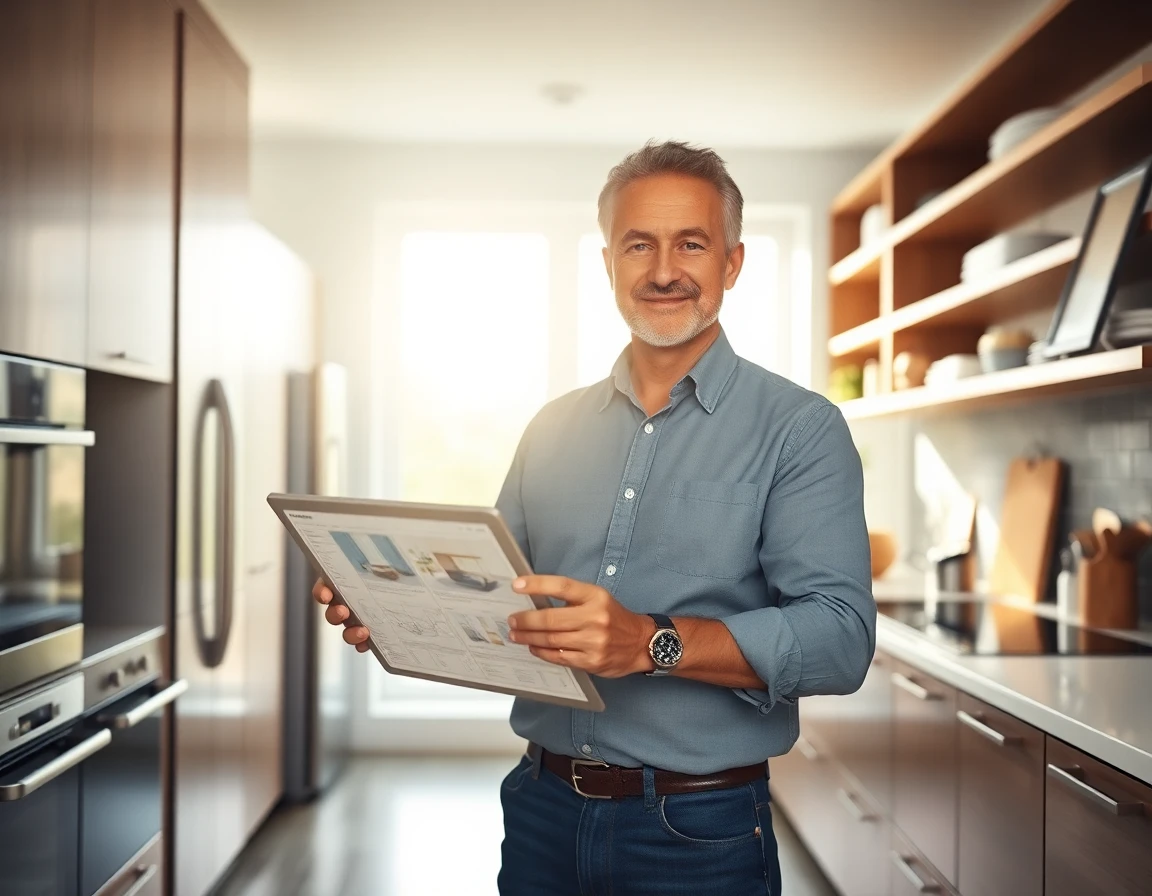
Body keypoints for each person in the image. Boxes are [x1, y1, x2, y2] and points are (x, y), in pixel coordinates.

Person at [313, 140, 875, 895]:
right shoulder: (551, 428)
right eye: (639, 244)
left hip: (697, 834)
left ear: (732, 264)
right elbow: (502, 596)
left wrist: (652, 642)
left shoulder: (799, 429)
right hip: (540, 810)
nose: (666, 269)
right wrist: (391, 605)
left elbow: (841, 640)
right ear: (609, 263)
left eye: (692, 244)